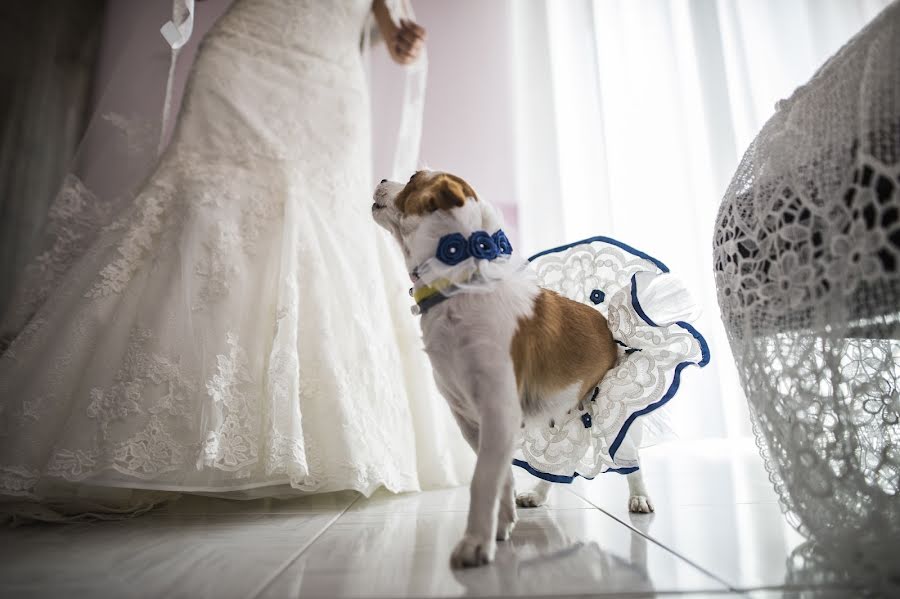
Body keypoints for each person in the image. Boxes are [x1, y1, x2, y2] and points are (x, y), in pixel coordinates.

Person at [0, 0, 471, 519]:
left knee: (326, 222)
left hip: (328, 81)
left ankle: (312, 440)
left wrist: (401, 40)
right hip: (244, 57)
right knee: (206, 208)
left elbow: (386, 23)